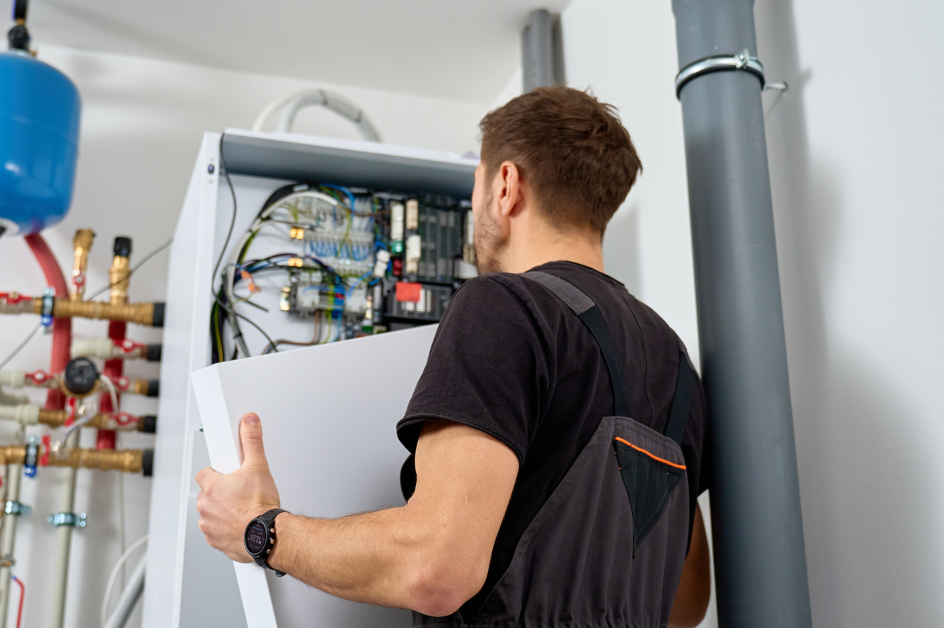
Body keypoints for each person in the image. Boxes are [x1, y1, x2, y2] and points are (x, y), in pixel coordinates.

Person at [195, 86, 712, 628]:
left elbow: (435, 568)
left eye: (477, 187)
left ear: (506, 186)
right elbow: (685, 605)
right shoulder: (676, 365)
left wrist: (260, 529)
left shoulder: (506, 305)